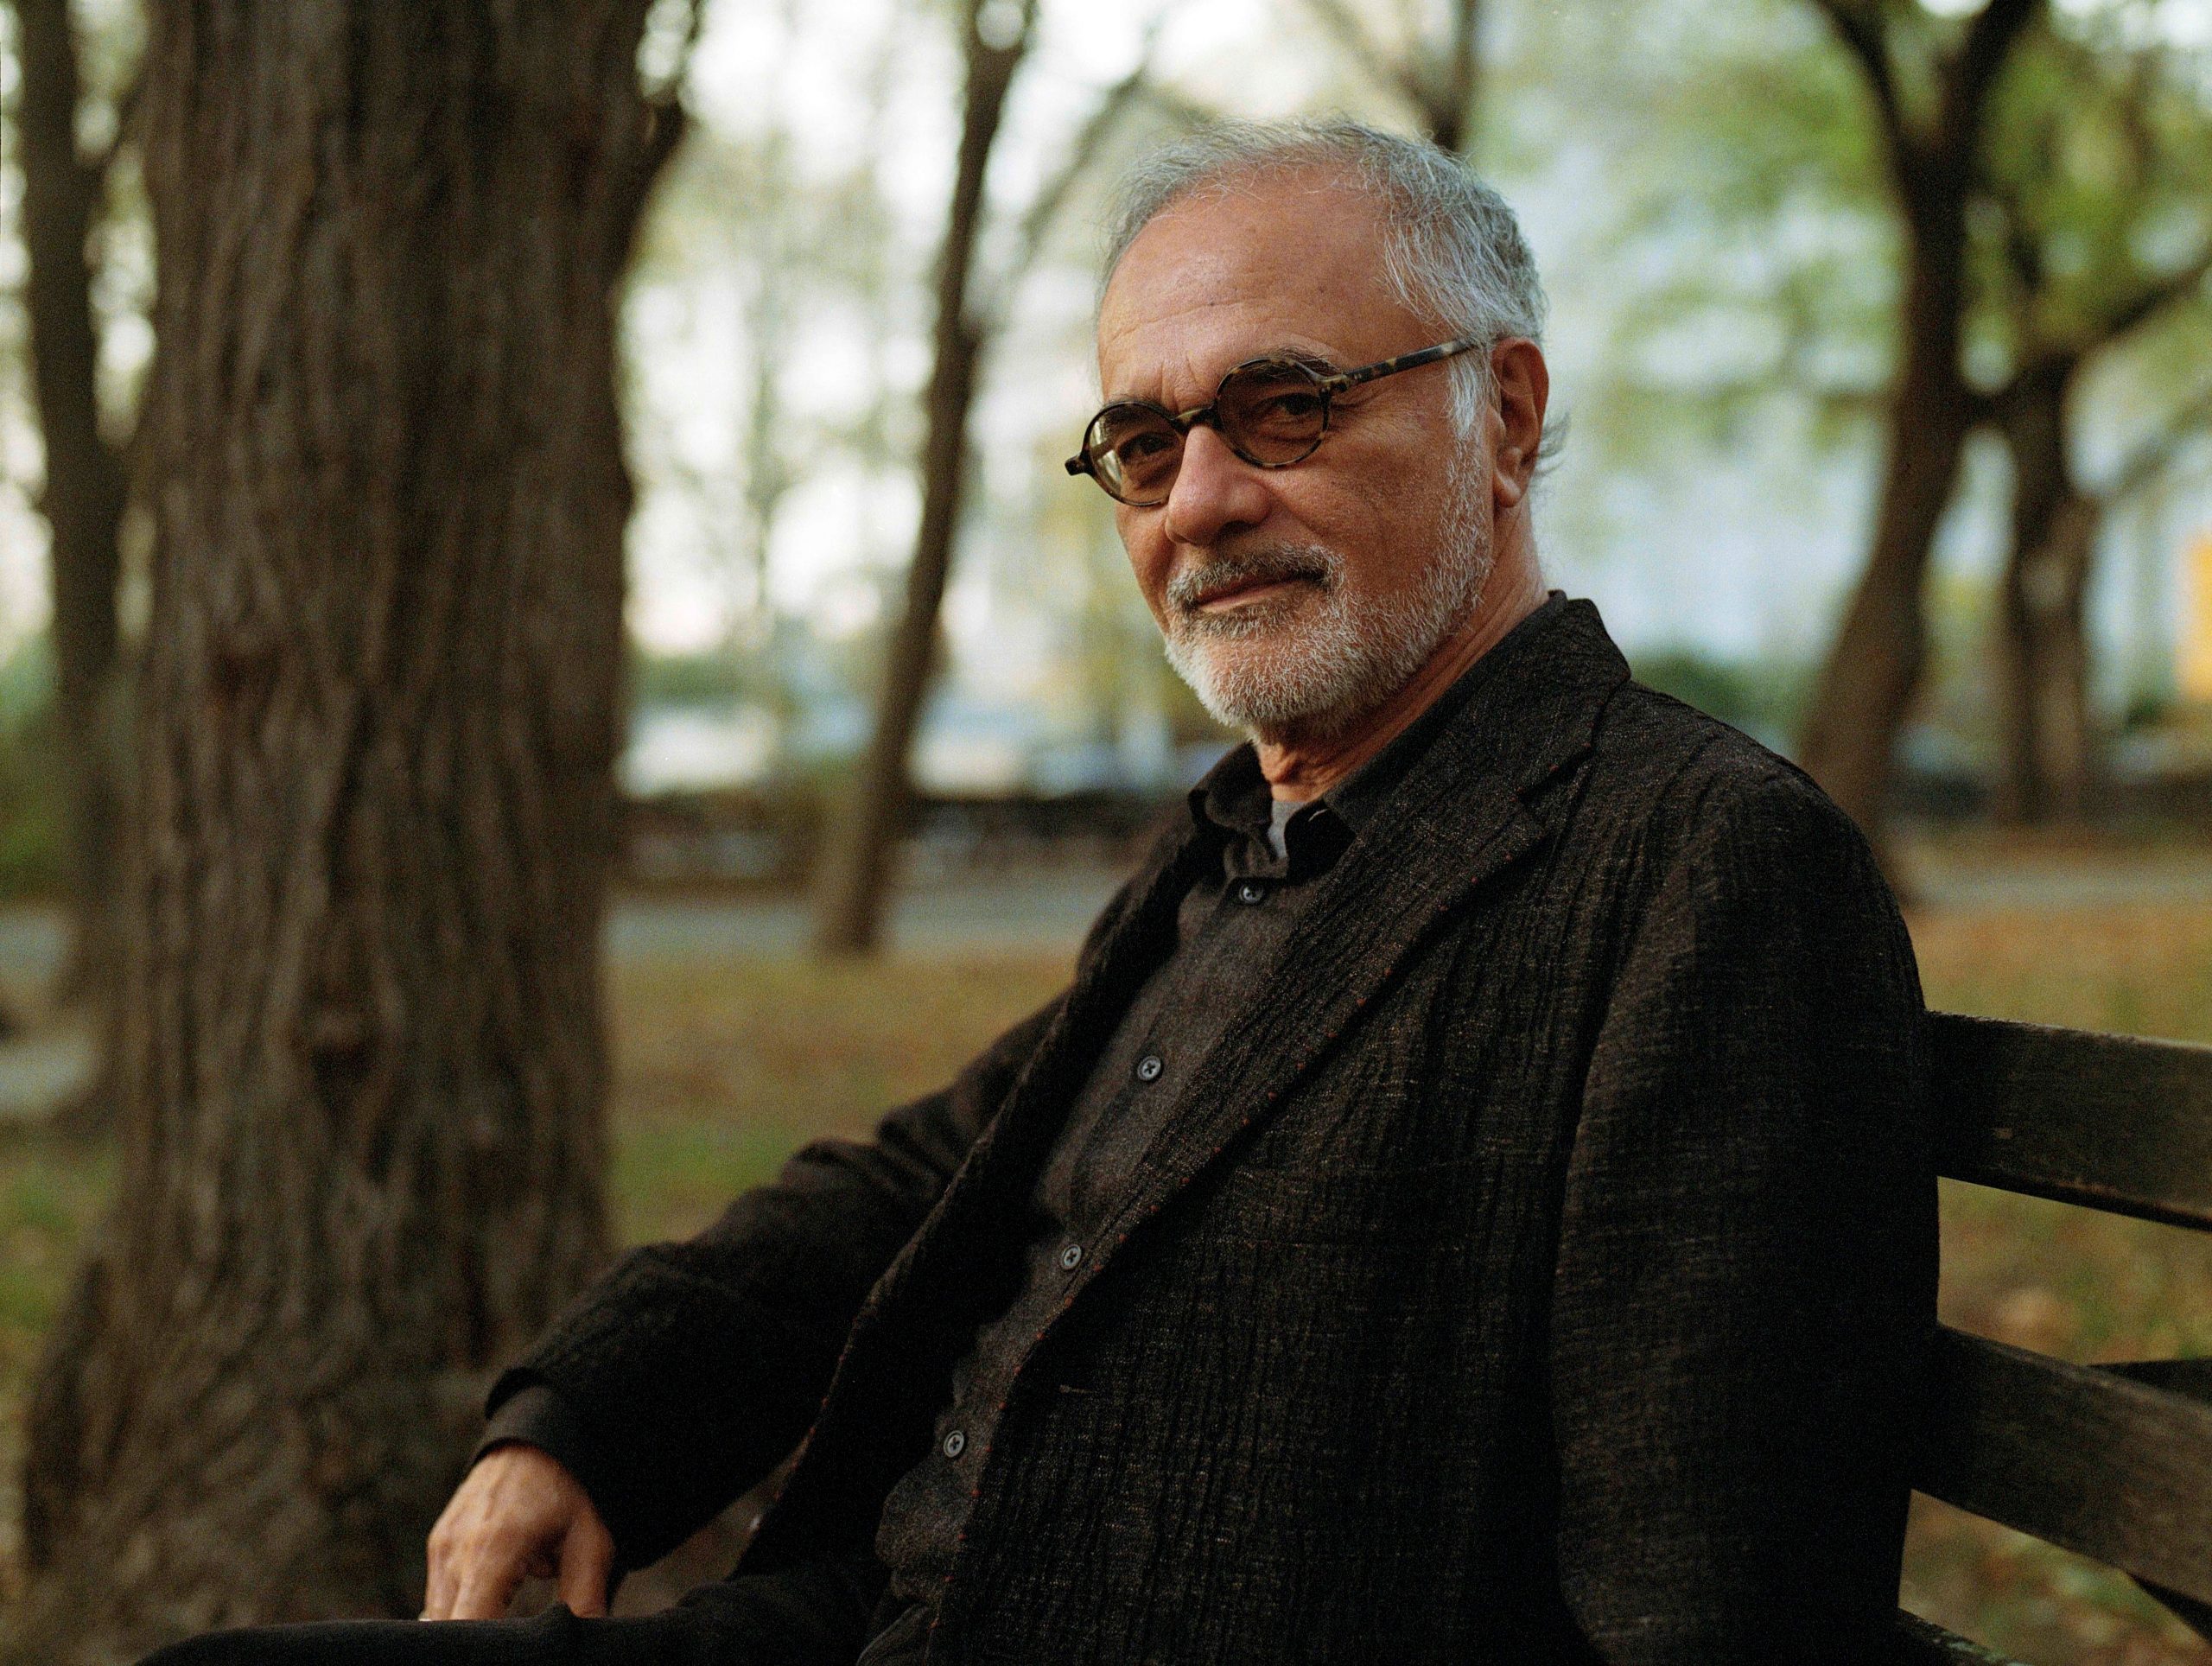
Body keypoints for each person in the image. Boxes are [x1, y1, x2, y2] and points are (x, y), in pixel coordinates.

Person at [146, 117, 1933, 1666]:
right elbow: (937, 1174)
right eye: (1144, 446)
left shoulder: (1695, 864)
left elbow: (1717, 1595)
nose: (1199, 501)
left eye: (1284, 407)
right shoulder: (1240, 843)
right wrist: (585, 1415)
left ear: (1504, 415)